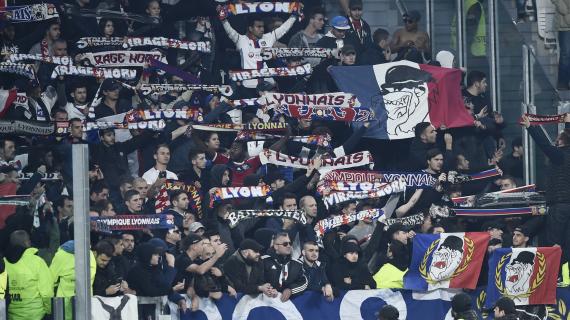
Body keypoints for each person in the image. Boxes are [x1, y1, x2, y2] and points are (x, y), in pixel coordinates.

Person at [521, 114, 570, 265]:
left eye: (558, 139)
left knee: (555, 241)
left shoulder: (560, 155)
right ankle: (565, 278)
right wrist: (568, 124)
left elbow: (544, 145)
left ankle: (555, 275)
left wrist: (531, 127)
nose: (556, 141)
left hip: (560, 206)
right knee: (568, 241)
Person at [219, 4, 300, 90]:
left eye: (263, 27)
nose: (262, 29)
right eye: (259, 27)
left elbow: (283, 29)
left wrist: (294, 15)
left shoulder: (268, 38)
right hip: (249, 86)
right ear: (250, 28)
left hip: (268, 86)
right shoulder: (241, 40)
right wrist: (223, 18)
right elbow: (229, 31)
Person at [3, 230, 54, 320]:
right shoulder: (37, 262)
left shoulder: (3, 263)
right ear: (27, 242)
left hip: (11, 315)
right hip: (36, 315)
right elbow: (46, 292)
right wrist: (48, 311)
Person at [262, 232, 308, 301]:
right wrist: (267, 289)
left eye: (290, 243)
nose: (289, 246)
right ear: (276, 246)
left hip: (286, 306)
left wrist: (291, 290)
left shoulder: (297, 264)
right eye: (285, 244)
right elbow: (255, 281)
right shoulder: (263, 261)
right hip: (265, 304)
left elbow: (304, 282)